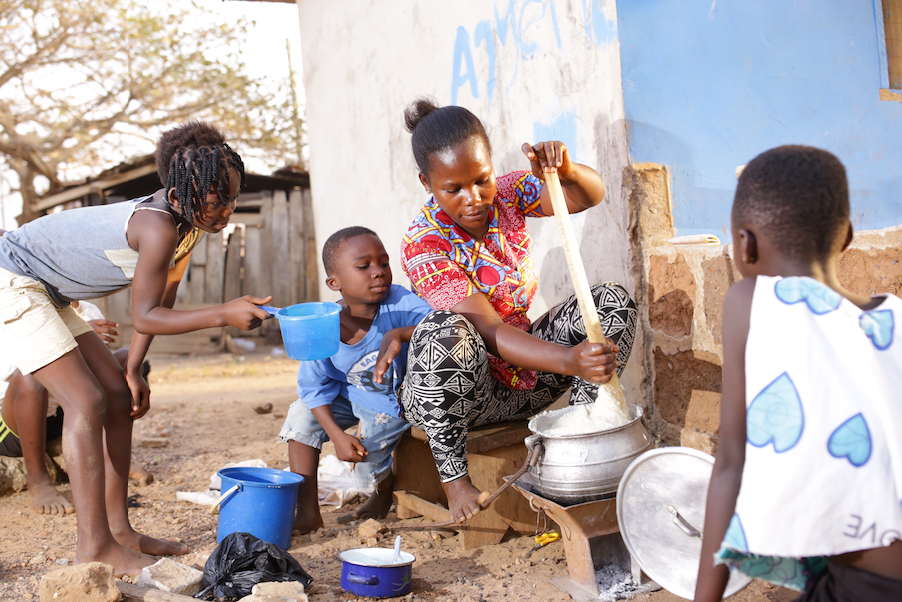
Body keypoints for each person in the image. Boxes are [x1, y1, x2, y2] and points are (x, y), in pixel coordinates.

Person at [0, 121, 271, 576]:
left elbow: (160, 303)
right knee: (85, 401)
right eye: (215, 200)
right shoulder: (157, 226)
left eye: (232, 197)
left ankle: (119, 530)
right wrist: (223, 313)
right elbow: (144, 317)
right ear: (182, 193)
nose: (226, 210)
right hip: (14, 281)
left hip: (50, 291)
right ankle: (94, 547)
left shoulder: (189, 225)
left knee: (119, 394)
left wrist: (134, 368)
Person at [398, 98, 638, 523]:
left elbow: (588, 196)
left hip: (524, 379)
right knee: (444, 333)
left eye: (481, 180)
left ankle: (585, 437)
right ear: (426, 182)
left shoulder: (507, 194)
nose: (473, 198)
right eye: (452, 189)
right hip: (463, 393)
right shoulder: (423, 242)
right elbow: (488, 330)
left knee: (611, 302)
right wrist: (568, 360)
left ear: (491, 166)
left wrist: (566, 171)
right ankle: (455, 481)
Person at [693, 146, 902, 602]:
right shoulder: (895, 318)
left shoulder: (751, 301)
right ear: (847, 236)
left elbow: (732, 462)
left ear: (744, 246)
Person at [280, 226, 432, 534]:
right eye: (364, 266)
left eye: (384, 263)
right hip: (350, 394)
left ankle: (382, 490)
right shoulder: (324, 327)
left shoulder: (400, 303)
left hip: (394, 399)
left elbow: (439, 326)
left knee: (366, 463)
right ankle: (308, 510)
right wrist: (336, 435)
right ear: (334, 282)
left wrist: (399, 334)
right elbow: (313, 388)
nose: (378, 273)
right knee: (300, 417)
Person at [0, 299, 150, 516]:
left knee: (126, 358)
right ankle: (38, 479)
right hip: (17, 416)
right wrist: (77, 340)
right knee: (30, 375)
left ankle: (113, 458)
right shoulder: (18, 306)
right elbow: (13, 370)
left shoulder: (87, 310)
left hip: (66, 410)